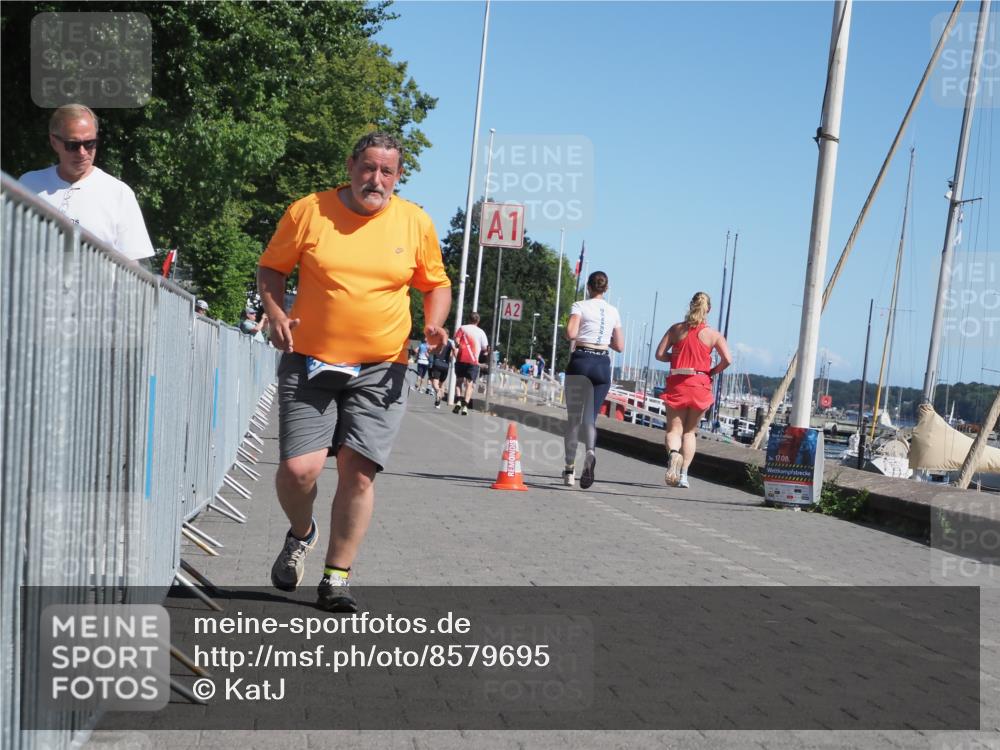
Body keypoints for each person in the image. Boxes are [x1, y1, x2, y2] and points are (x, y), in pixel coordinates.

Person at [257, 132, 451, 612]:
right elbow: (271, 268)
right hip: (310, 360)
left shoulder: (415, 222)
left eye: (387, 171)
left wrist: (434, 322)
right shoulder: (309, 211)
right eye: (368, 168)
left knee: (358, 473)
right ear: (351, 166)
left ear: (397, 176)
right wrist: (276, 313)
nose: (376, 179)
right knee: (299, 471)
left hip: (382, 367)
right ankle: (302, 532)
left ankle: (336, 577)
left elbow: (436, 283)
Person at [18, 103, 154, 262]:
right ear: (54, 142)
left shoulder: (119, 193)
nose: (82, 153)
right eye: (73, 145)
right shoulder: (28, 184)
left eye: (89, 143)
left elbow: (136, 266)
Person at [655, 291, 732, 488]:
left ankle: (673, 455)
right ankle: (684, 476)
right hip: (700, 383)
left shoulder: (675, 330)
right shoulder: (713, 335)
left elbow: (659, 354)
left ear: (690, 305)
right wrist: (711, 371)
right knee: (689, 432)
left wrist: (675, 358)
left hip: (678, 382)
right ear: (709, 309)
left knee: (674, 430)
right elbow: (728, 360)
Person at [563, 271, 624, 489]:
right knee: (590, 418)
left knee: (573, 419)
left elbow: (571, 333)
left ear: (588, 286)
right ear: (606, 289)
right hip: (601, 364)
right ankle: (590, 451)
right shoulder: (613, 311)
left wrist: (575, 332)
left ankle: (569, 469)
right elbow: (619, 345)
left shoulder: (580, 306)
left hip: (581, 360)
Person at [452, 311, 489, 415]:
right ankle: (465, 406)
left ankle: (458, 400)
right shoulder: (481, 332)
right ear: (478, 321)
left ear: (469, 319)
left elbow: (456, 341)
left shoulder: (462, 328)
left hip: (461, 359)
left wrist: (460, 347)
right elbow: (485, 349)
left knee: (459, 381)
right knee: (470, 384)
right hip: (473, 361)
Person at [429, 336, 454, 409]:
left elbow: (431, 350)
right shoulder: (450, 343)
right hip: (445, 365)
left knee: (435, 384)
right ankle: (438, 403)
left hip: (437, 363)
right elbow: (451, 355)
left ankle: (438, 391)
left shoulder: (438, 341)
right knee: (441, 384)